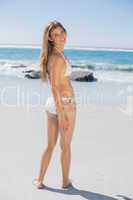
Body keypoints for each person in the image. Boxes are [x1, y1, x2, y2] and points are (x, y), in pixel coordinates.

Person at [32, 20, 77, 189]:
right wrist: (63, 113)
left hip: (52, 104)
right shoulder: (58, 58)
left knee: (50, 145)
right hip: (64, 105)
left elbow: (56, 84)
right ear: (50, 38)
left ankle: (39, 180)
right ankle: (65, 182)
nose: (61, 37)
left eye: (62, 32)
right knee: (65, 146)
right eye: (56, 35)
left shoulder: (56, 55)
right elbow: (56, 86)